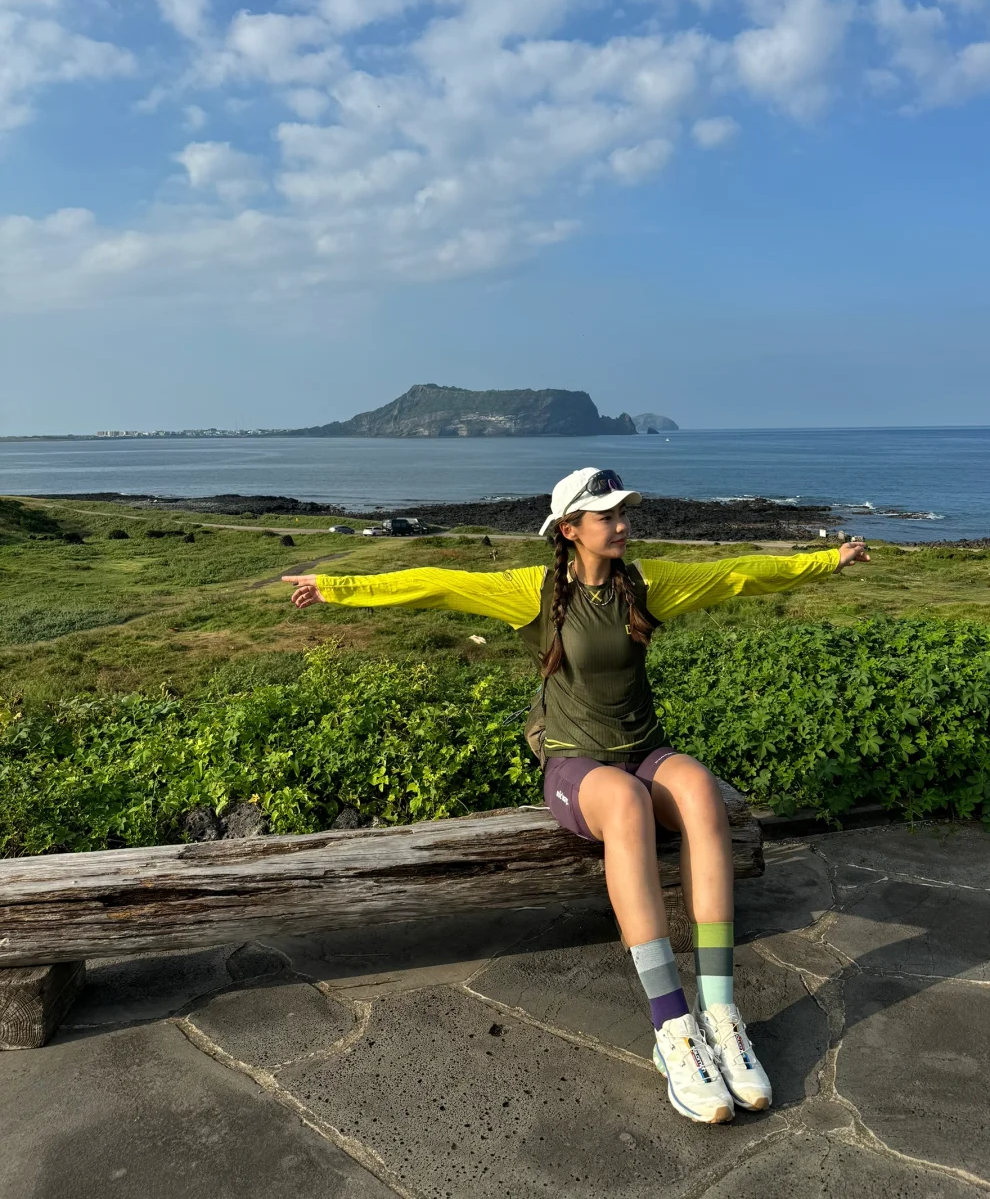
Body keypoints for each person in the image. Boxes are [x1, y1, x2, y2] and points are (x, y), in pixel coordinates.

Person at [282, 467, 868, 1125]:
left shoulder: (645, 584)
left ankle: (721, 1015)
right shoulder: (531, 592)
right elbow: (437, 584)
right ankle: (672, 1029)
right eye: (606, 516)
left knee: (700, 790)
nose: (621, 525)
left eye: (623, 514)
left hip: (644, 751)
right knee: (623, 802)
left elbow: (740, 574)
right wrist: (332, 586)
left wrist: (829, 560)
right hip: (575, 768)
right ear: (570, 530)